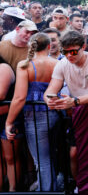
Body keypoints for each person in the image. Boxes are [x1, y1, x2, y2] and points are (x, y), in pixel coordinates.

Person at [43, 31, 88, 180]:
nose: (69, 55)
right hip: (80, 113)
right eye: (65, 52)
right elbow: (51, 90)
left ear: (84, 47)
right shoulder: (63, 64)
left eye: (73, 51)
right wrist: (51, 100)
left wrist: (74, 101)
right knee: (74, 153)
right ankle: (79, 185)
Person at [5, 33, 59, 191]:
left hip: (35, 116)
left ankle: (47, 191)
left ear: (31, 46)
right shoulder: (57, 63)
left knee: (42, 161)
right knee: (51, 157)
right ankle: (52, 189)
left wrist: (9, 122)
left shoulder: (25, 65)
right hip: (56, 113)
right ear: (49, 46)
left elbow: (19, 97)